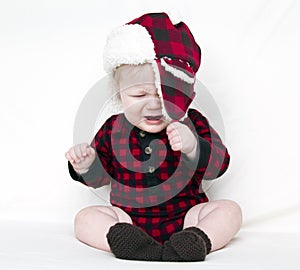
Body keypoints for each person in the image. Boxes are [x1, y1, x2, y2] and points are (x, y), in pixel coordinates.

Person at [65, 12, 242, 262]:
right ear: (119, 94)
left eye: (164, 95)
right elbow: (99, 177)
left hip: (187, 218)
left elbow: (219, 166)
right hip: (127, 221)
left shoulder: (192, 123)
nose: (153, 106)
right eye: (139, 95)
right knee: (84, 219)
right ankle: (130, 244)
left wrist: (193, 146)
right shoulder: (113, 128)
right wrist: (85, 165)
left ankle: (195, 241)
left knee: (230, 211)